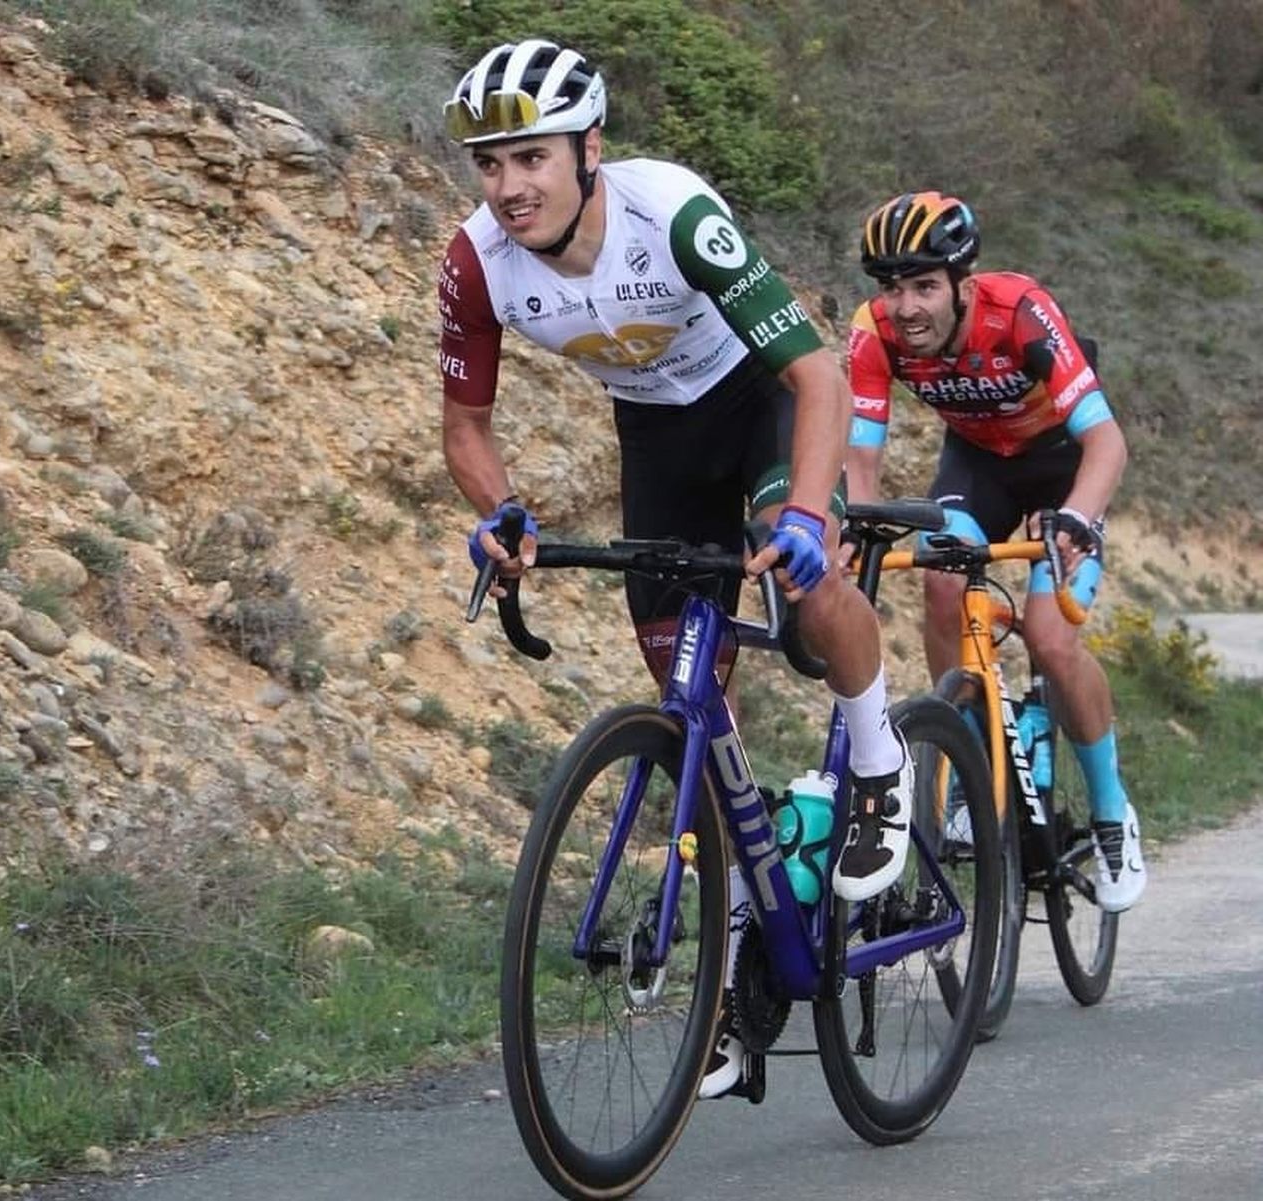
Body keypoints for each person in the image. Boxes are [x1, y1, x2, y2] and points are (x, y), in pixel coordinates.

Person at [436, 39, 914, 1098]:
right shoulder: (476, 261)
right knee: (696, 716)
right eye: (490, 163)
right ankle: (737, 981)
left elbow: (819, 374)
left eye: (531, 159)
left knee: (808, 586)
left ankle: (880, 764)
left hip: (763, 408)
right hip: (656, 443)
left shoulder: (673, 215)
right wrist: (500, 512)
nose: (509, 186)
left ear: (588, 148)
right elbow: (465, 426)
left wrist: (800, 511)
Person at [844, 190, 1144, 914]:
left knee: (1049, 635)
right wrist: (853, 523)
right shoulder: (873, 332)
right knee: (941, 583)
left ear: (962, 284)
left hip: (1063, 468)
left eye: (923, 286)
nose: (905, 306)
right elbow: (860, 452)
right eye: (892, 287)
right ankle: (968, 761)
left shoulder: (1020, 311)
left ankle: (1112, 812)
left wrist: (1077, 515)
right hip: (976, 468)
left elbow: (1107, 441)